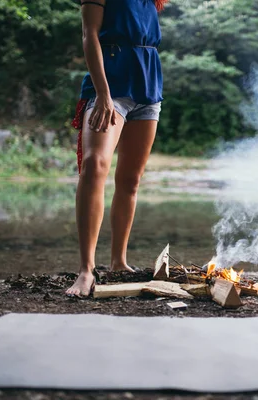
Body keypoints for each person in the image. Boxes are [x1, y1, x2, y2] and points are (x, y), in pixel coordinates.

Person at [66, 0, 169, 297]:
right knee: (95, 165)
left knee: (130, 180)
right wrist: (103, 94)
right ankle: (86, 270)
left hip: (147, 90)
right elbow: (89, 36)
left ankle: (118, 262)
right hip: (109, 87)